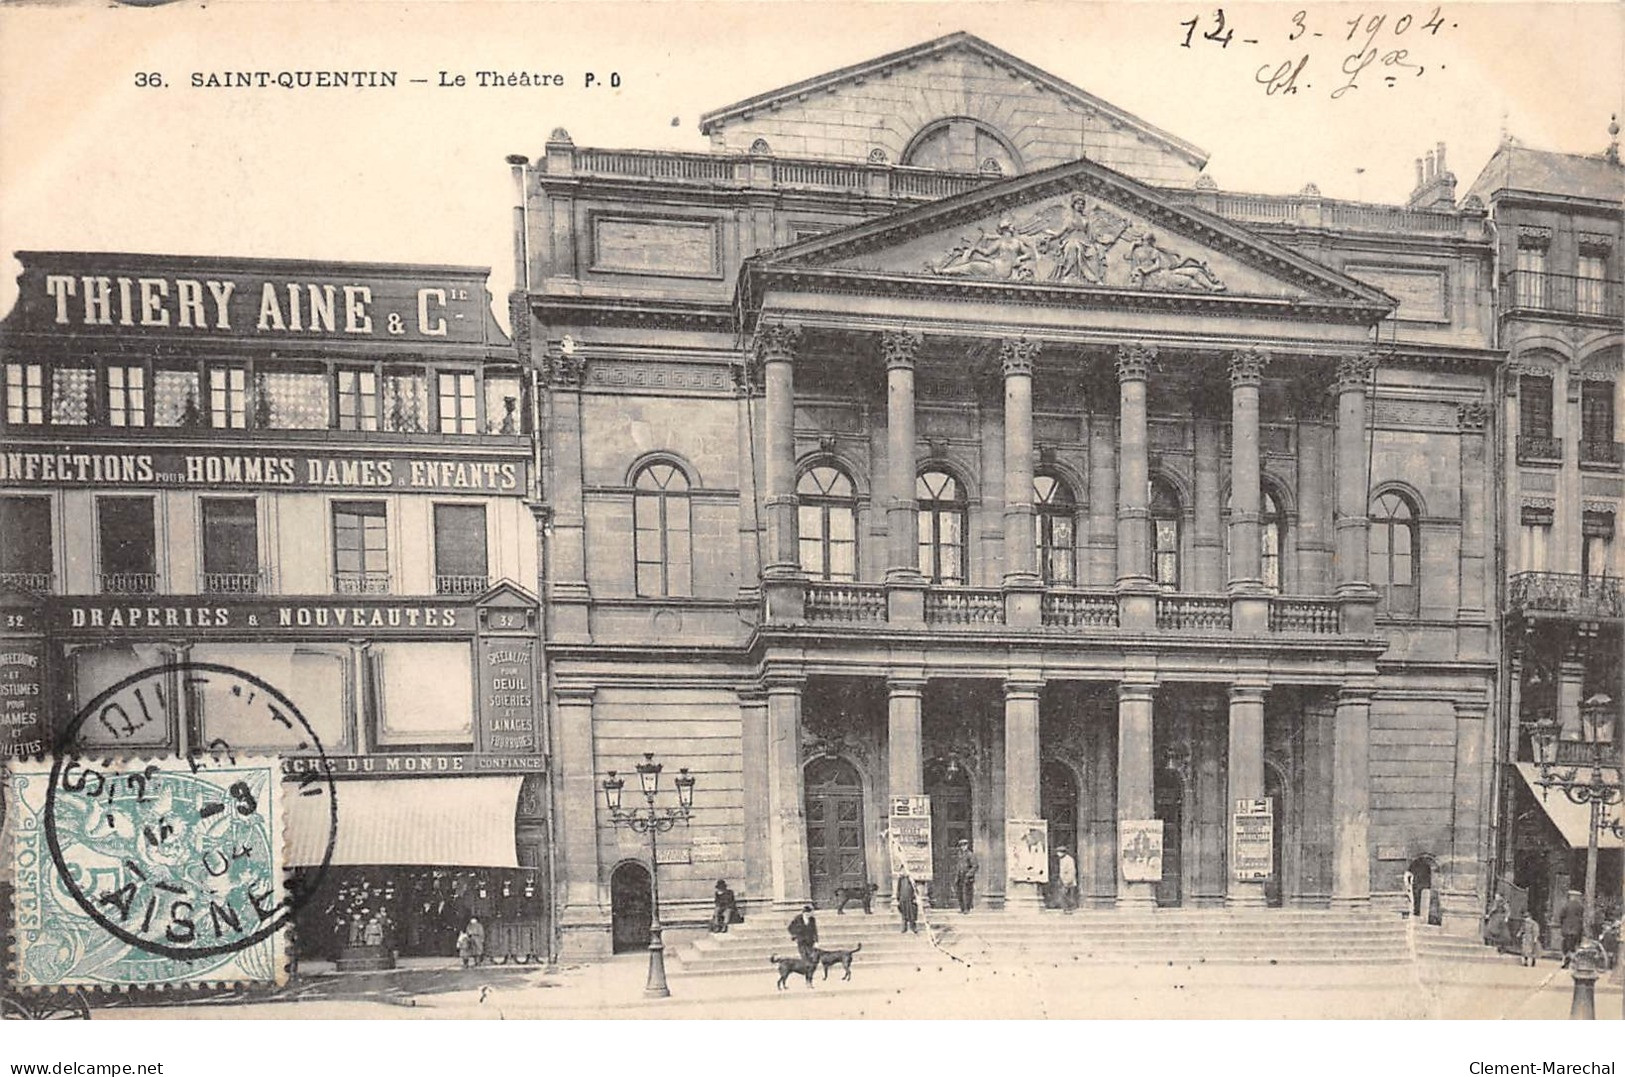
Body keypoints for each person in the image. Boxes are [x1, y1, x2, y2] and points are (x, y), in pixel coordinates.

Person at [1558, 891, 1585, 967]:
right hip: (1577, 930)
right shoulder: (1580, 907)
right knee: (1574, 945)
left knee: (1565, 945)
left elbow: (1561, 916)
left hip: (1566, 929)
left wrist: (1562, 924)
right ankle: (1573, 961)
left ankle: (1567, 961)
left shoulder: (1566, 906)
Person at [953, 838, 978, 914]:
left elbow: (975, 866)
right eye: (961, 846)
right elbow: (958, 866)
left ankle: (967, 908)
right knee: (960, 892)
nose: (963, 847)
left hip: (967, 877)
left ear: (967, 846)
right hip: (960, 876)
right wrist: (957, 876)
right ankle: (962, 908)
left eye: (964, 845)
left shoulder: (970, 855)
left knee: (967, 893)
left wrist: (969, 874)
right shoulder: (960, 855)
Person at [1055, 846, 1079, 913]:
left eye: (1059, 852)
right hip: (1063, 880)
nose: (1058, 854)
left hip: (1068, 880)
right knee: (1063, 895)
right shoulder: (1062, 859)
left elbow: (1071, 871)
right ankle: (1065, 909)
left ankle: (1069, 908)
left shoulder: (1069, 859)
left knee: (1066, 895)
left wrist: (1067, 881)